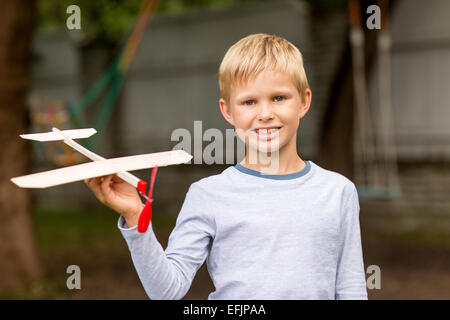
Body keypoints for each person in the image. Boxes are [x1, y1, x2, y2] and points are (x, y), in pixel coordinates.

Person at [85, 33, 368, 300]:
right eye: (249, 102)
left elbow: (351, 288)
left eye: (279, 98)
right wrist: (136, 216)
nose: (265, 114)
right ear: (228, 111)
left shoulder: (338, 191)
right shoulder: (207, 195)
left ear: (304, 102)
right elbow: (167, 291)